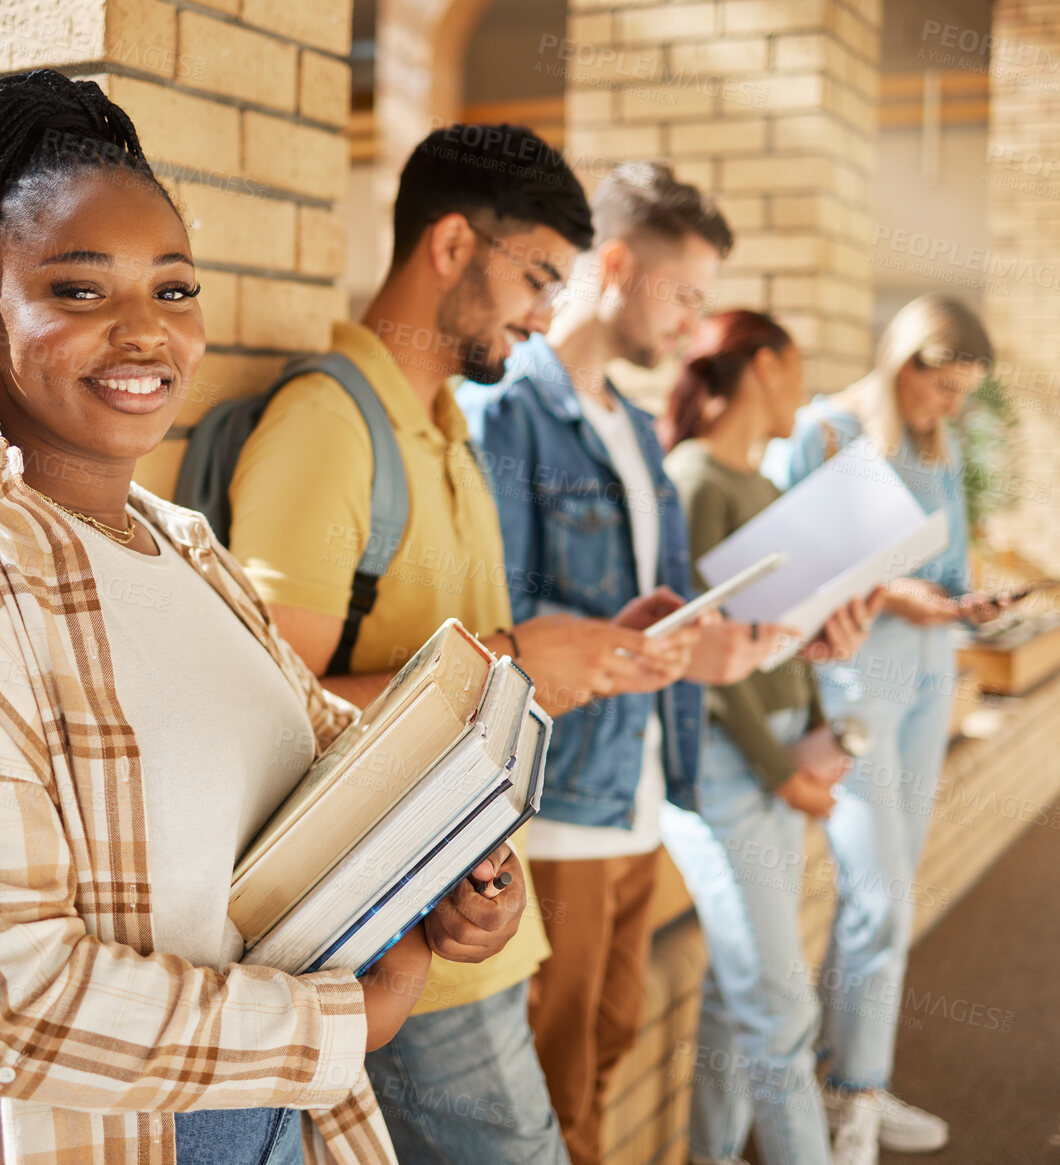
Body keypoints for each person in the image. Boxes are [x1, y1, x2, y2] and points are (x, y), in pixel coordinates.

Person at [0, 70, 441, 1165]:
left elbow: (326, 778)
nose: (143, 333)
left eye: (172, 289)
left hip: (283, 1120)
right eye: (77, 291)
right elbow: (13, 1004)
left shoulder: (185, 546)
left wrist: (455, 867)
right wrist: (342, 1025)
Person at [225, 124, 700, 1164]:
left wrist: (580, 651)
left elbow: (475, 666)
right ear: (449, 246)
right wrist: (513, 654)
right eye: (536, 275)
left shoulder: (446, 428)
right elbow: (260, 715)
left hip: (463, 913)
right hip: (394, 942)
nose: (546, 310)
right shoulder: (329, 428)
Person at [456, 164, 794, 1165]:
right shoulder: (513, 408)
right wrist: (645, 647)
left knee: (602, 1047)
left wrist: (692, 643)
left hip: (639, 789)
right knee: (554, 1086)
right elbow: (497, 614)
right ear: (613, 266)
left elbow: (635, 611)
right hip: (557, 803)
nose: (695, 322)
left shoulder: (637, 431)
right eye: (685, 292)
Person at [764, 294, 1007, 1165]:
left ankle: (850, 1081)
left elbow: (944, 570)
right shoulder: (826, 435)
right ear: (905, 363)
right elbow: (776, 576)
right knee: (878, 894)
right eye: (943, 387)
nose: (951, 407)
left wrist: (960, 600)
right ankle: (852, 1094)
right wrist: (892, 593)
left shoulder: (938, 454)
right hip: (855, 683)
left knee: (889, 891)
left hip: (927, 679)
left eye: (963, 394)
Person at [657, 311, 880, 1165]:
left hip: (782, 749)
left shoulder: (761, 485)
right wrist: (777, 769)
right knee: (781, 1007)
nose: (804, 388)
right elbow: (707, 665)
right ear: (759, 366)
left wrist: (822, 721)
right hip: (732, 763)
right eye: (798, 368)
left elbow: (775, 640)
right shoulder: (694, 479)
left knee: (735, 993)